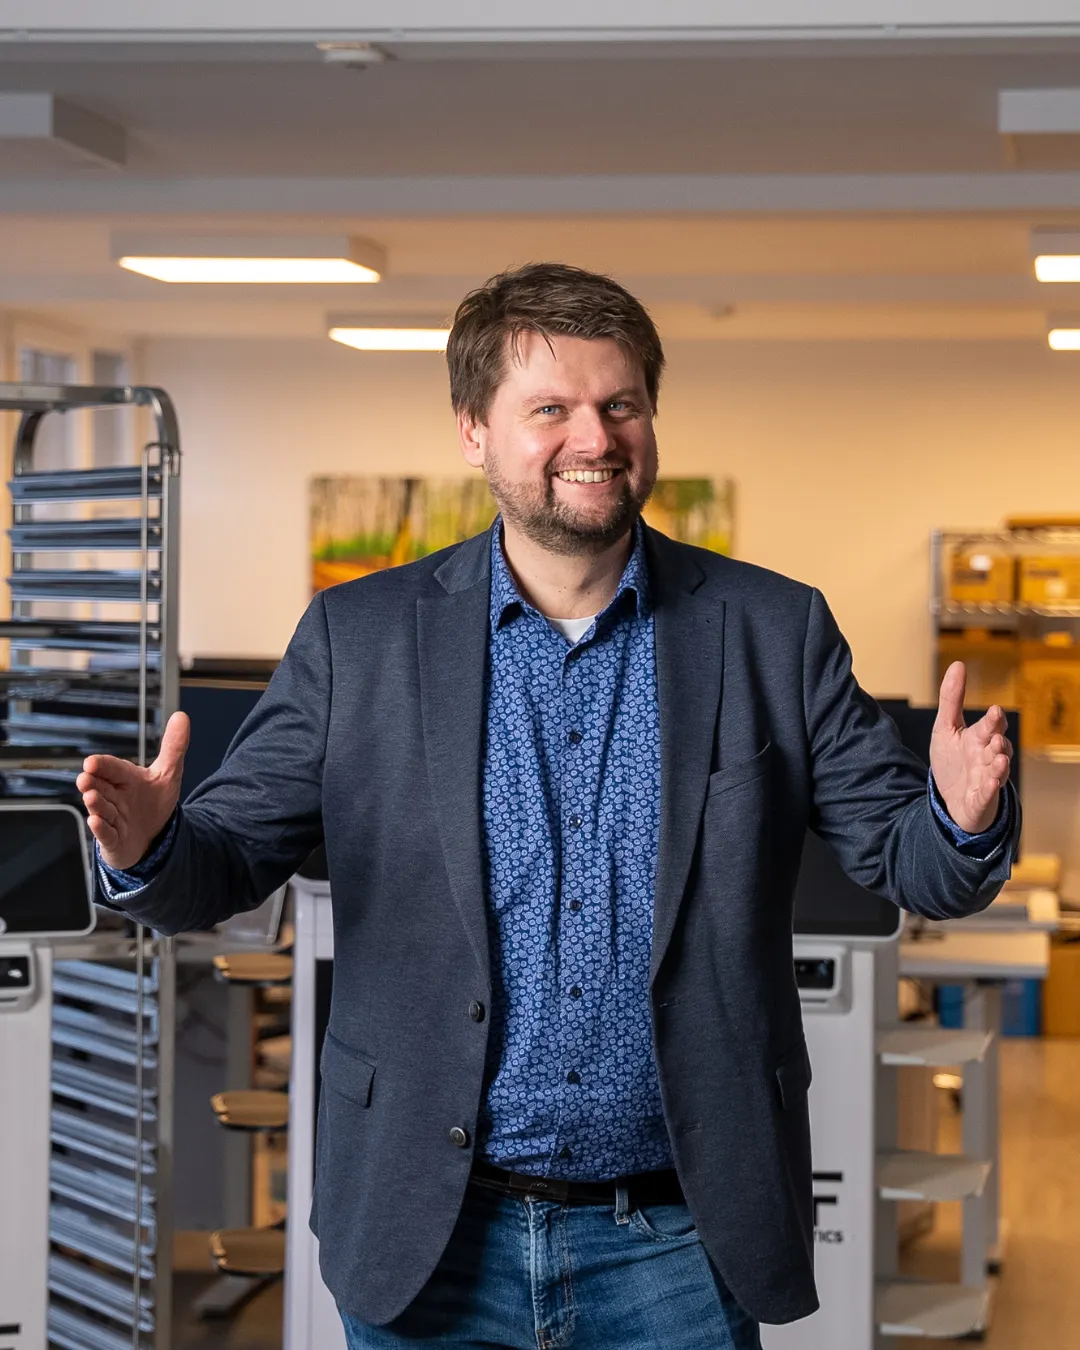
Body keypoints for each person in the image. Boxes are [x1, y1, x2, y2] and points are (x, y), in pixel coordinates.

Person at [78, 262, 1018, 1350]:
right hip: (430, 1234)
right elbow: (227, 860)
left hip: (679, 1239)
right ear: (473, 431)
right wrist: (151, 848)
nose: (595, 438)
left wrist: (959, 818)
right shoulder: (359, 639)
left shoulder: (772, 630)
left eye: (622, 404)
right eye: (551, 409)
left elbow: (910, 859)